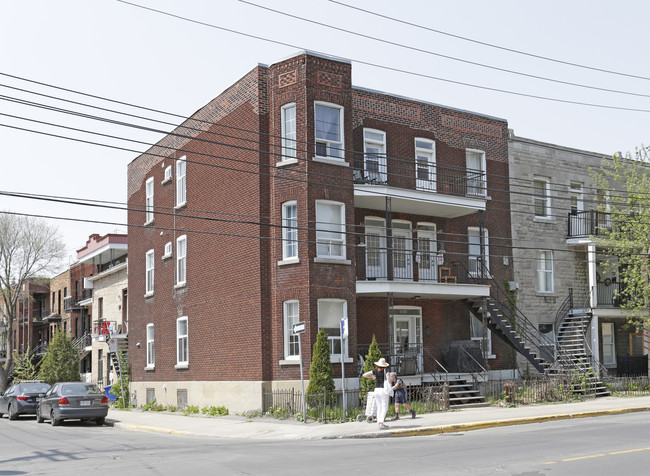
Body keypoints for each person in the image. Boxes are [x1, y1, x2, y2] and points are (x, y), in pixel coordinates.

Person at [362, 357, 391, 429]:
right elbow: (389, 380)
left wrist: (373, 377)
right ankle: (381, 422)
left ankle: (379, 422)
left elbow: (364, 375)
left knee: (379, 406)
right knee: (384, 407)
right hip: (383, 390)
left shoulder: (375, 371)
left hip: (376, 390)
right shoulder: (386, 371)